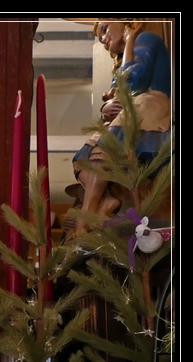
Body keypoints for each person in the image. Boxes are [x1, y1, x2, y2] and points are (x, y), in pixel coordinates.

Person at [70, 19, 171, 234]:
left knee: (106, 148)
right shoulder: (125, 57)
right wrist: (106, 108)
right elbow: (117, 93)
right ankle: (105, 201)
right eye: (101, 39)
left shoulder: (147, 39)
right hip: (131, 109)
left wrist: (130, 40)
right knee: (83, 160)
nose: (104, 39)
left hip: (150, 104)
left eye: (105, 29)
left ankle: (85, 219)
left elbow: (134, 82)